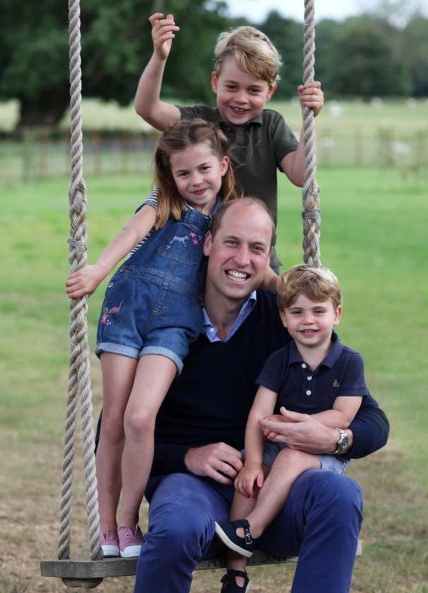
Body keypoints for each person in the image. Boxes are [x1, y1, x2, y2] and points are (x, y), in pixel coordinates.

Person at [130, 198, 389, 593]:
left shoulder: (285, 319)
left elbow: (372, 420)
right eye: (232, 243)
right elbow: (116, 433)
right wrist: (187, 456)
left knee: (339, 493)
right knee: (177, 523)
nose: (243, 259)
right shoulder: (168, 320)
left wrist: (337, 439)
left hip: (279, 490)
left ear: (269, 257)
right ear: (208, 243)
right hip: (195, 488)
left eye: (257, 248)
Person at [65, 119, 245, 559]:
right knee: (114, 420)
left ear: (222, 165)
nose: (195, 181)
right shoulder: (163, 201)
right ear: (171, 175)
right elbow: (130, 234)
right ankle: (108, 527)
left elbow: (247, 261)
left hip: (176, 322)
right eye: (184, 173)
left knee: (140, 418)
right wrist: (97, 270)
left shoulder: (228, 214)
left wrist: (290, 288)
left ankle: (129, 519)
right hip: (127, 308)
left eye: (203, 169)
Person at [214, 264, 370, 586]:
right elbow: (258, 416)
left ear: (336, 314)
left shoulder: (349, 362)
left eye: (318, 311)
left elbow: (343, 416)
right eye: (297, 312)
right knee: (248, 481)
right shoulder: (279, 360)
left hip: (321, 450)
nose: (308, 320)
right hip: (275, 445)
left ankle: (252, 529)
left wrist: (292, 425)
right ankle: (236, 570)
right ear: (284, 318)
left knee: (290, 457)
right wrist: (254, 463)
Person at [134, 15, 324, 270]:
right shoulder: (199, 122)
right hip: (201, 262)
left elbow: (301, 175)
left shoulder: (271, 125)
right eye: (232, 87)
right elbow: (148, 108)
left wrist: (308, 120)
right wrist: (159, 57)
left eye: (254, 90)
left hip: (258, 260)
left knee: (269, 307)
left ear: (270, 92)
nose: (241, 98)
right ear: (215, 82)